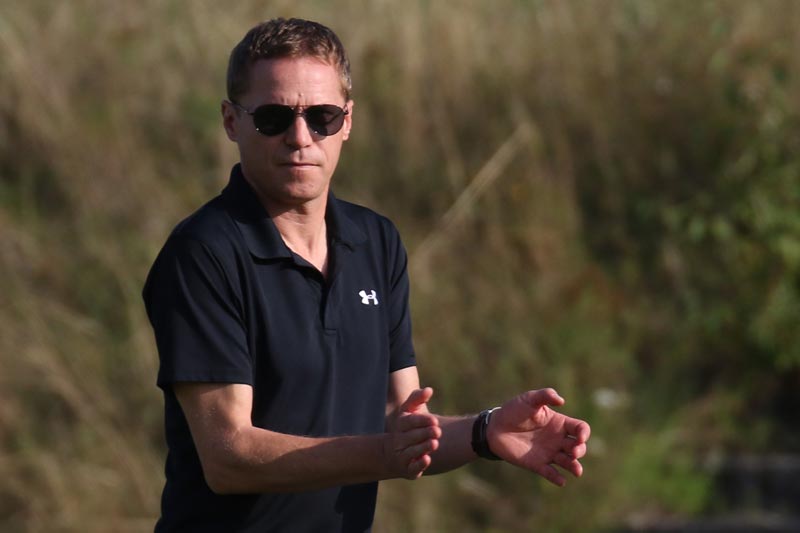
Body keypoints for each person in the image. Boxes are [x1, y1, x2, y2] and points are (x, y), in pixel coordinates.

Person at [143, 17, 591, 532]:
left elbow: (401, 421)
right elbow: (228, 458)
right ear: (230, 121)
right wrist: (383, 454)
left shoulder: (375, 241)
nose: (300, 138)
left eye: (322, 117)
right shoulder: (204, 253)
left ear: (348, 121)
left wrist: (484, 432)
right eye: (272, 118)